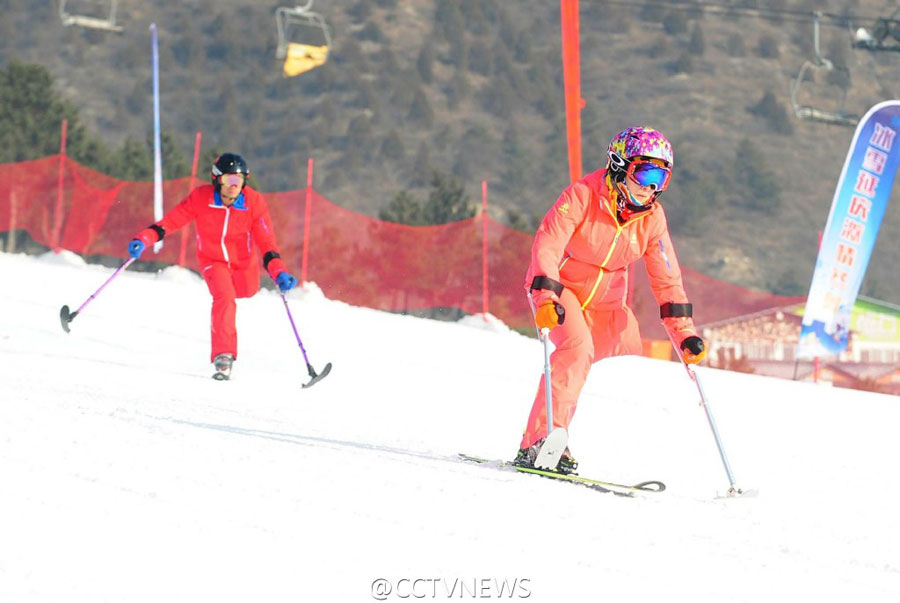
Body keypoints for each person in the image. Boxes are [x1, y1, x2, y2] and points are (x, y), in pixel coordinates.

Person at [515, 126, 706, 474]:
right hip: (562, 291)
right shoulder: (581, 196)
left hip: (608, 305)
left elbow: (667, 279)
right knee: (576, 350)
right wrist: (545, 296)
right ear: (619, 165)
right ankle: (540, 441)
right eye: (645, 173)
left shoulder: (652, 219)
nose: (651, 187)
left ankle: (618, 449)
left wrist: (684, 334)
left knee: (631, 365)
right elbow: (548, 244)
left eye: (661, 178)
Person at [127, 153, 298, 380]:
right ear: (217, 180)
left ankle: (231, 316)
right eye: (229, 181)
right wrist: (145, 238)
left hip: (243, 263)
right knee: (224, 298)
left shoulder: (253, 203)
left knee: (246, 290)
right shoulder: (201, 198)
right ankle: (224, 356)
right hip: (212, 261)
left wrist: (279, 272)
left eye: (239, 181)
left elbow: (267, 244)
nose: (234, 187)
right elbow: (171, 221)